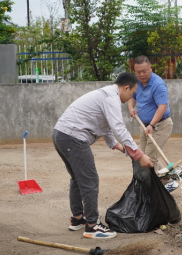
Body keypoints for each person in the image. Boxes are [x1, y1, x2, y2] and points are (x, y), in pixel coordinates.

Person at [52, 72, 153, 239]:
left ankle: (77, 219)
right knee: (90, 180)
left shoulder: (105, 93)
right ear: (126, 88)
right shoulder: (110, 98)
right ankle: (92, 225)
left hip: (61, 134)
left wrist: (119, 146)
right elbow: (118, 127)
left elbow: (105, 127)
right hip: (73, 138)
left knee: (77, 179)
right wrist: (139, 154)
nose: (130, 98)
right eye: (131, 93)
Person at [127, 55, 178, 192]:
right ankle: (168, 181)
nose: (142, 74)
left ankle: (151, 189)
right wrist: (131, 108)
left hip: (160, 125)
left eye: (144, 71)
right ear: (134, 71)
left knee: (149, 157)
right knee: (143, 156)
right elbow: (132, 97)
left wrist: (151, 124)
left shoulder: (158, 84)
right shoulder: (136, 82)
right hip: (144, 126)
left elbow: (162, 107)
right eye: (138, 72)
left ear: (150, 68)